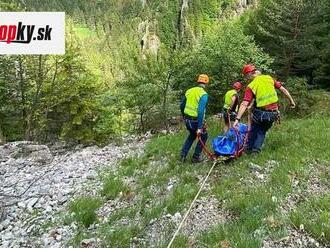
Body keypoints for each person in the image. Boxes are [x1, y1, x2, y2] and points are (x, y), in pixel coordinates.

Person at [233, 64, 296, 154]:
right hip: (273, 113)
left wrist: (237, 119)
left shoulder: (251, 86)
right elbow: (283, 90)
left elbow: (244, 103)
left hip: (260, 113)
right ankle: (251, 150)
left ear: (250, 74)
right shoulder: (269, 78)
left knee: (256, 129)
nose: (247, 78)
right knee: (260, 131)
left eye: (246, 76)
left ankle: (252, 150)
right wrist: (291, 101)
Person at [180, 74, 209, 163]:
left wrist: (184, 116)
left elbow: (182, 105)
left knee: (192, 135)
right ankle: (195, 158)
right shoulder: (203, 94)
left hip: (187, 119)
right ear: (206, 83)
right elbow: (200, 111)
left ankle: (182, 156)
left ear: (198, 82)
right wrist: (200, 127)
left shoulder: (189, 91)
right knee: (204, 136)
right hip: (196, 120)